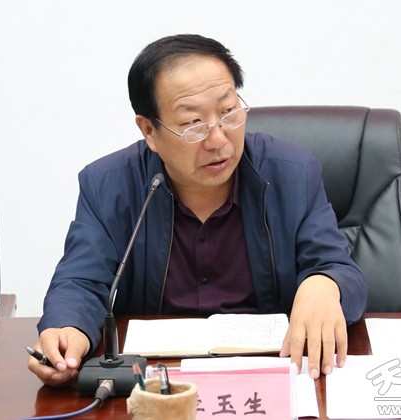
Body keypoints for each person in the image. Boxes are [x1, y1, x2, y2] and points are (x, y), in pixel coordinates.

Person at [28, 34, 367, 386]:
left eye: (228, 112)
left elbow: (342, 270)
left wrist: (326, 284)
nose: (218, 140)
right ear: (150, 130)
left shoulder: (293, 174)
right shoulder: (108, 185)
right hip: (154, 382)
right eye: (193, 124)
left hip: (270, 373)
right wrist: (68, 329)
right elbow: (81, 281)